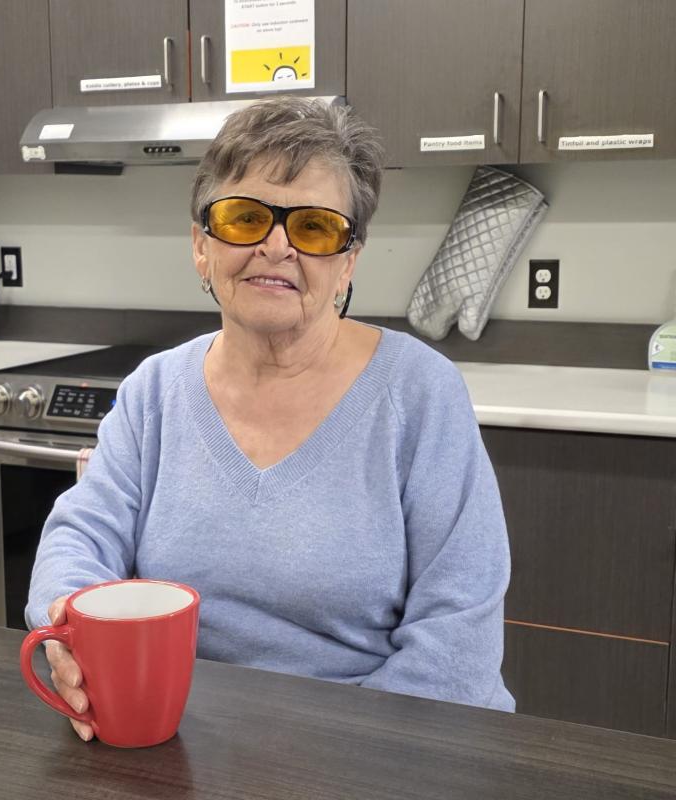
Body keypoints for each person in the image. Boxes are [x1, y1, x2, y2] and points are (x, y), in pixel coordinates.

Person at [26, 96, 515, 742]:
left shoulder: (421, 395)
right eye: (245, 218)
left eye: (314, 227)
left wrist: (321, 765)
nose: (276, 246)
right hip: (181, 740)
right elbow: (78, 538)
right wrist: (70, 629)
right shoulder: (154, 393)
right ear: (201, 247)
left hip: (378, 752)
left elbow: (458, 647)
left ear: (347, 262)